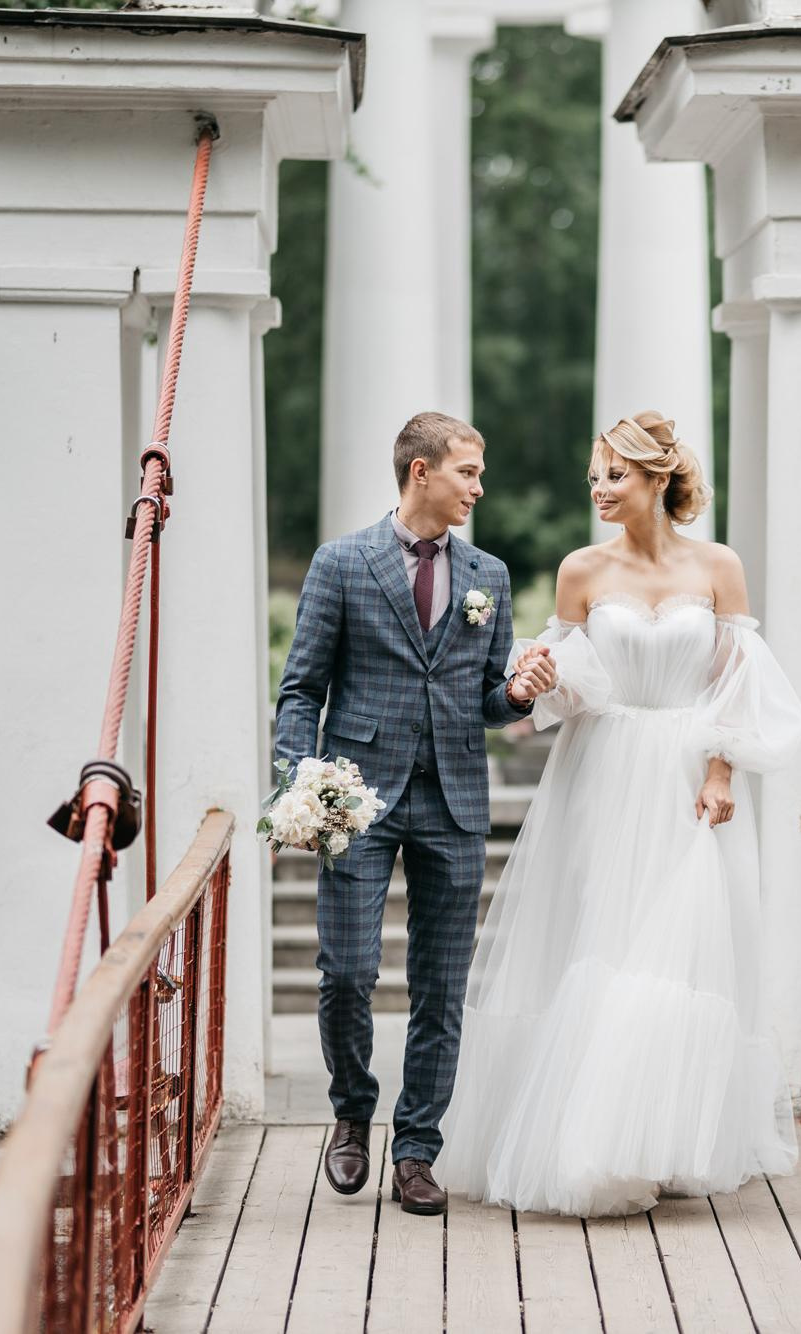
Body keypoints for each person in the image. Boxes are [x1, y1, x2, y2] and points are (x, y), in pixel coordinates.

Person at [434, 410, 801, 1216]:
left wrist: (721, 769)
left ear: (657, 478)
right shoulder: (581, 570)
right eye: (594, 478)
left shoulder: (719, 565)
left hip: (686, 776)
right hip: (600, 771)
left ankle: (663, 1137)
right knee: (602, 936)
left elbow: (734, 681)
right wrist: (540, 677)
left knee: (680, 951)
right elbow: (572, 683)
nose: (600, 489)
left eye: (615, 475)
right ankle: (594, 1145)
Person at [274, 410, 558, 1216]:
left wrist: (518, 693)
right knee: (346, 973)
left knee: (440, 987)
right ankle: (351, 1112)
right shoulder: (341, 563)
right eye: (468, 472)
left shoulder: (489, 574)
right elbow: (302, 688)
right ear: (420, 472)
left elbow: (488, 699)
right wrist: (301, 781)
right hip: (356, 799)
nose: (479, 487)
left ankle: (416, 1150)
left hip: (454, 799)